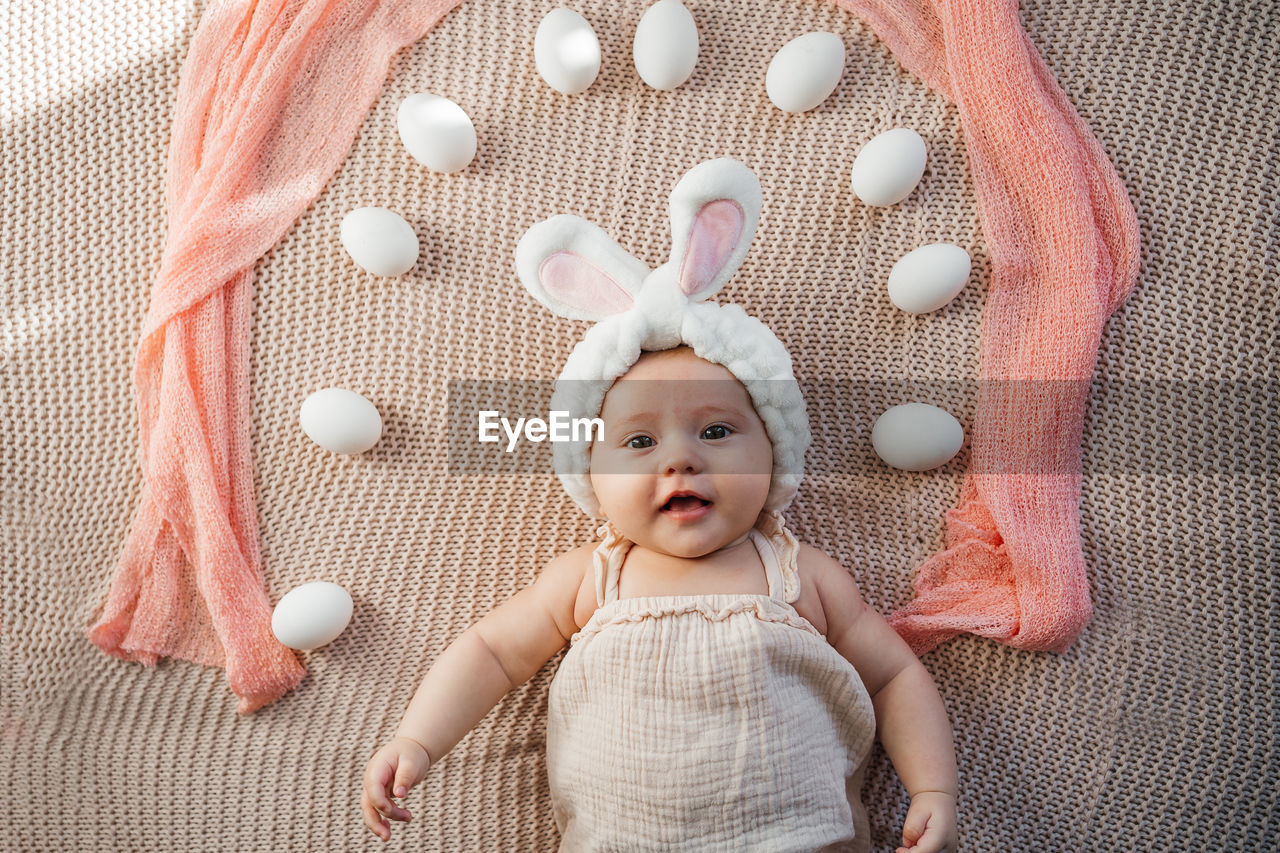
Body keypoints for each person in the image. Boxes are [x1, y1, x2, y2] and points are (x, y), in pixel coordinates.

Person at [361, 159, 958, 852]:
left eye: (715, 431)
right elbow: (491, 652)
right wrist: (418, 738)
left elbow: (893, 675)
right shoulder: (590, 576)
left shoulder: (802, 575)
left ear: (773, 452)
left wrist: (933, 786)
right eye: (639, 440)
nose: (681, 459)